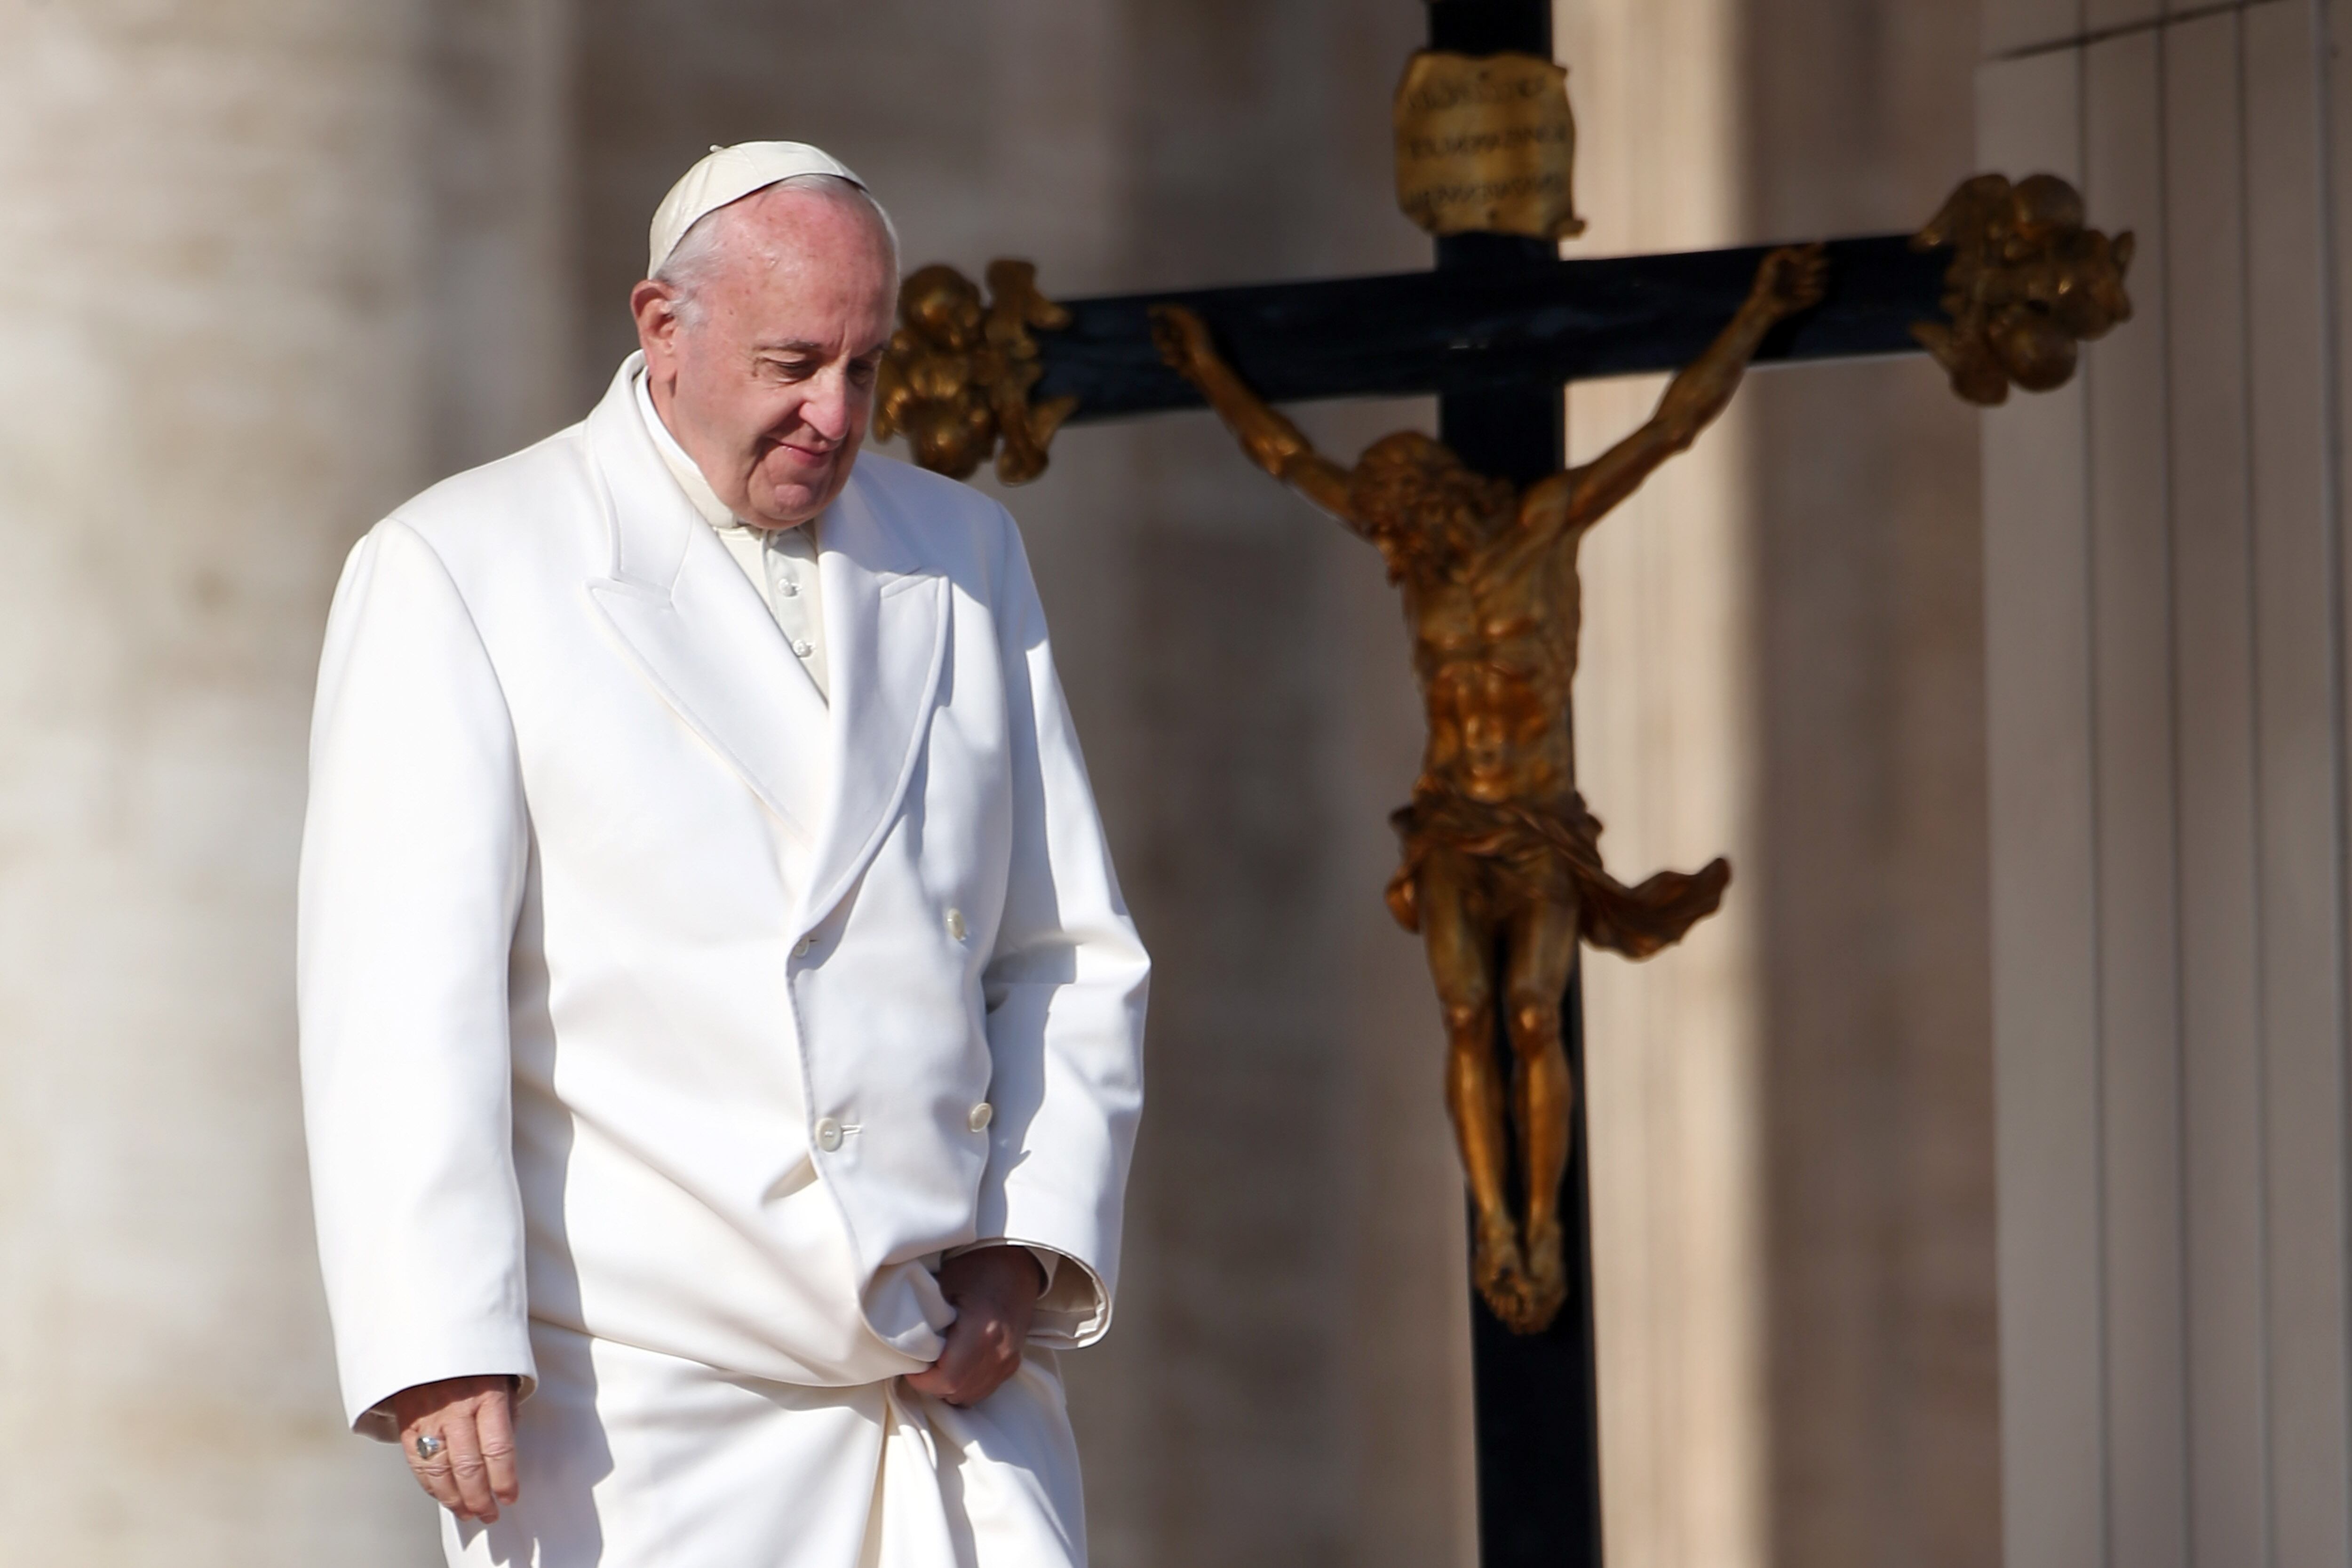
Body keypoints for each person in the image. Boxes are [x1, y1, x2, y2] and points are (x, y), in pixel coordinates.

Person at [298, 141, 1150, 1567]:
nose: (836, 413)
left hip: (941, 1392)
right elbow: (397, 1000)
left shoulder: (963, 553)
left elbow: (1062, 947)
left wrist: (1025, 1244)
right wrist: (436, 1335)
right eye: (793, 362)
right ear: (661, 326)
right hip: (634, 1409)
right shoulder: (464, 565)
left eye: (865, 367)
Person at [1151, 243, 1825, 1332]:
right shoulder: (1411, 555)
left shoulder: (1541, 526)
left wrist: (1752, 314)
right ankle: (1496, 1227)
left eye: (1403, 523)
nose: (1391, 546)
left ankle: (1543, 1220)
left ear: (1434, 499)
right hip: (1454, 828)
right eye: (1387, 532)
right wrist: (1208, 371)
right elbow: (1286, 459)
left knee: (1527, 1011)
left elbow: (1668, 430)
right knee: (1468, 1011)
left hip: (1539, 827)